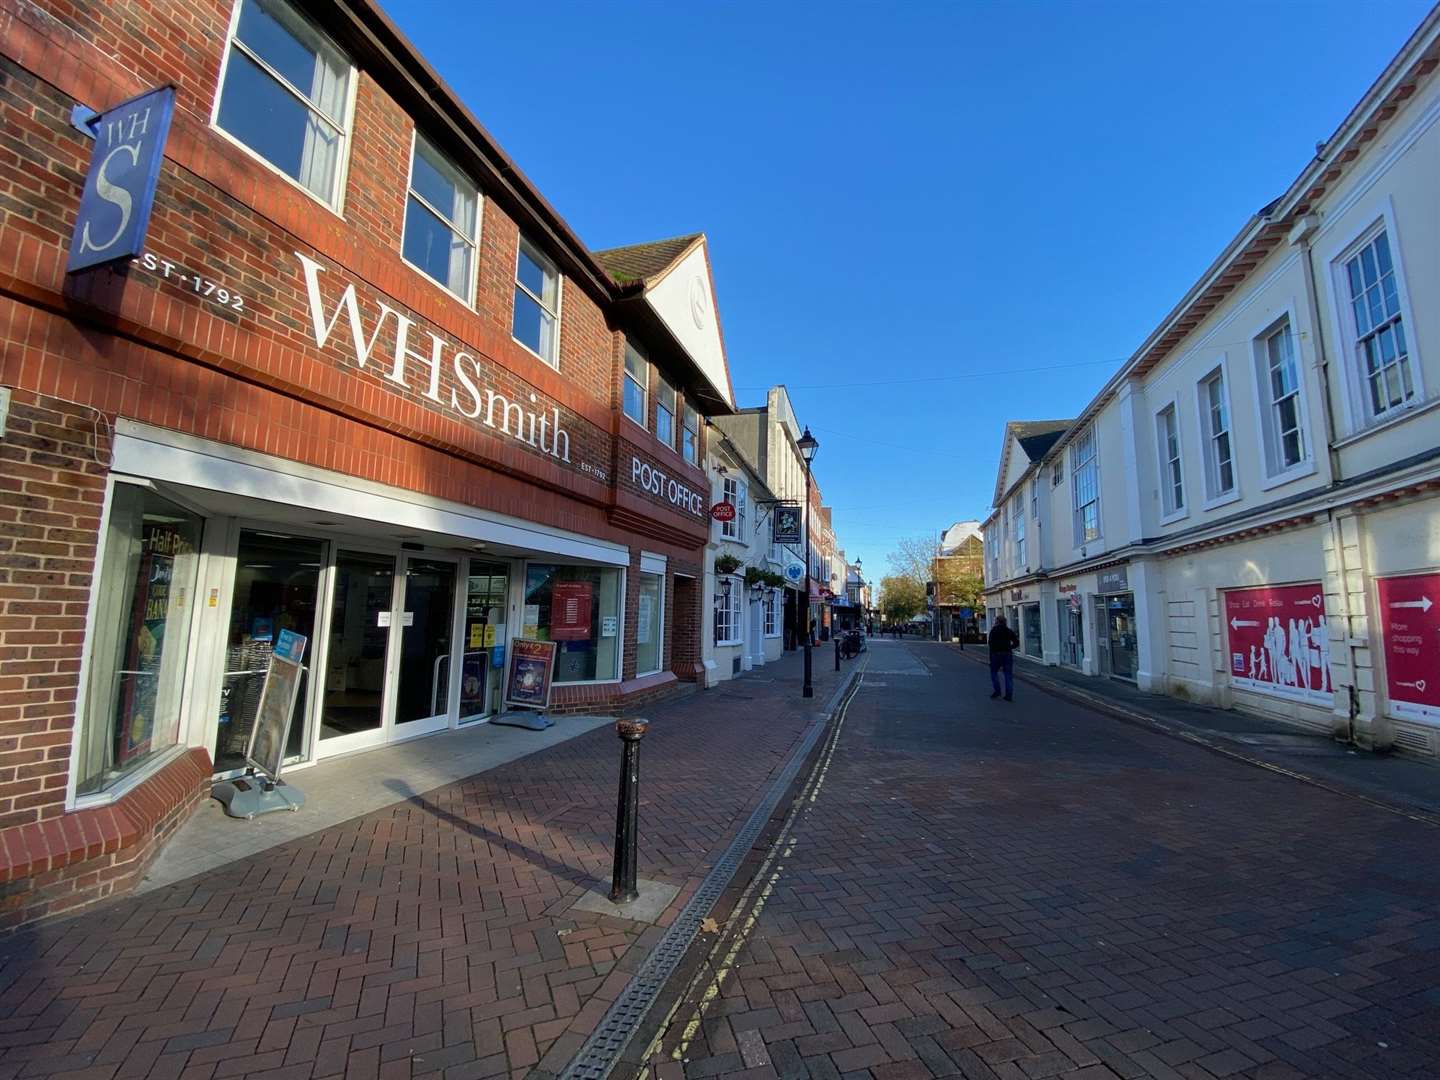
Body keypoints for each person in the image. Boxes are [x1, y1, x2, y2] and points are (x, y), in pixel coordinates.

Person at [988, 615, 1020, 700]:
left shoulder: (994, 631)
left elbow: (990, 644)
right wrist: (1010, 647)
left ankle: (997, 691)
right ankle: (1009, 695)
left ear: (997, 622)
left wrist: (990, 657)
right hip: (1007, 654)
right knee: (1008, 674)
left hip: (996, 654)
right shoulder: (1008, 631)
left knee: (994, 672)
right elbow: (1016, 642)